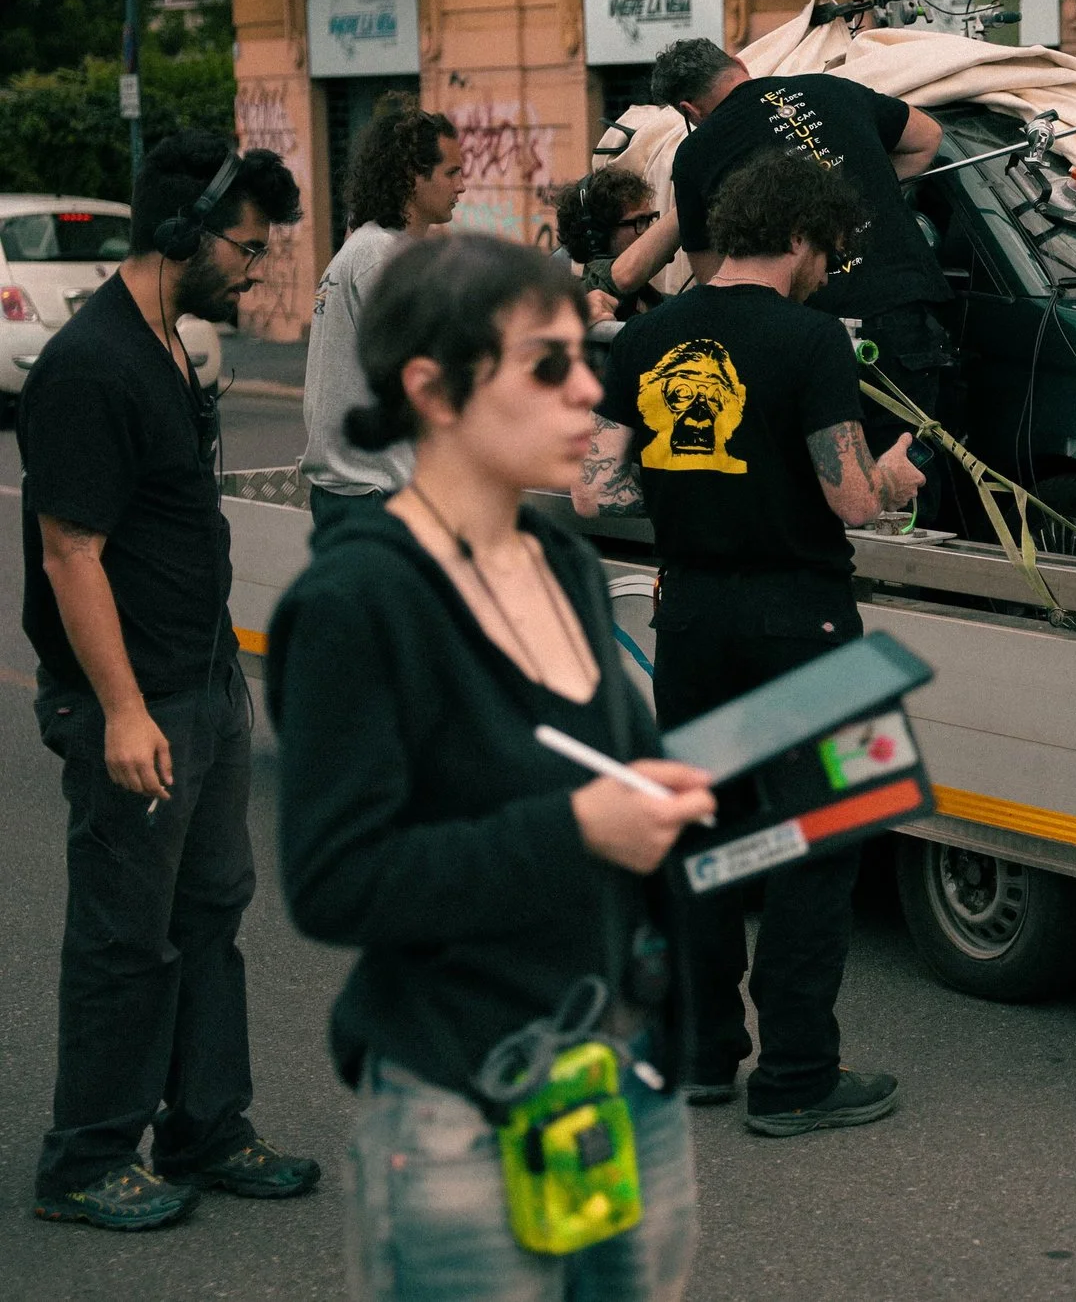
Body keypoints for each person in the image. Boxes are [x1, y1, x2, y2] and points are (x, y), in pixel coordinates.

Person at [273, 234, 717, 1299]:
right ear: (432, 386)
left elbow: (613, 769)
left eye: (587, 353)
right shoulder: (355, 602)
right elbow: (336, 879)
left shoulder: (560, 556)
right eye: (547, 362)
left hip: (619, 1081)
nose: (589, 388)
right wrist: (579, 829)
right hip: (460, 1103)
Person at [574, 150, 922, 1138]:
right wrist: (894, 476)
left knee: (706, 837)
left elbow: (593, 490)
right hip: (801, 626)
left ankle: (702, 1052)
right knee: (824, 837)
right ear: (805, 237)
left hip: (688, 621)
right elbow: (849, 497)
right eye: (831, 249)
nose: (828, 268)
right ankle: (798, 1071)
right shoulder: (811, 339)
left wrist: (694, 490)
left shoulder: (645, 338)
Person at [24, 131, 318, 1231]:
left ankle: (205, 1126)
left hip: (200, 683)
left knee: (208, 914)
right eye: (245, 246)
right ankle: (88, 1156)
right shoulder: (91, 366)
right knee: (124, 932)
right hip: (136, 697)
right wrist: (123, 709)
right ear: (180, 234)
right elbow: (70, 551)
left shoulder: (166, 346)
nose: (254, 269)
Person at [645, 36, 952, 442]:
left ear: (689, 110)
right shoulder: (833, 87)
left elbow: (713, 276)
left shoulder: (696, 152)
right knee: (911, 465)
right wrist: (858, 199)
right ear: (738, 63)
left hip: (801, 335)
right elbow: (928, 136)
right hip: (904, 310)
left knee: (823, 478)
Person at [302, 99, 467, 530]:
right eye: (451, 172)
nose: (462, 186)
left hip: (360, 491)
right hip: (373, 495)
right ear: (414, 177)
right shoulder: (381, 256)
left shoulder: (376, 248)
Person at [553, 166, 665, 323]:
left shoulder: (649, 299)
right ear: (599, 236)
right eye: (640, 221)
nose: (651, 232)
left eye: (650, 219)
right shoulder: (566, 301)